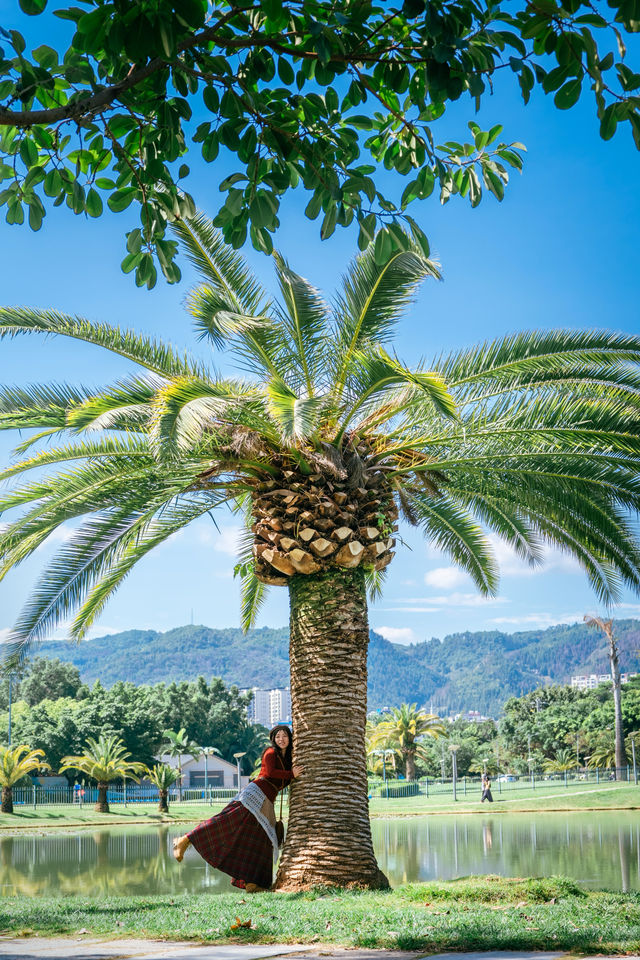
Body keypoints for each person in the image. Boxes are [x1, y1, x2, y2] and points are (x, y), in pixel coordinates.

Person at [172, 725, 303, 892]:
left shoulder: (287, 760)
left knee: (260, 841)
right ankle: (184, 840)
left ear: (290, 739)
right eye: (278, 736)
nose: (281, 739)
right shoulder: (270, 753)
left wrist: (291, 773)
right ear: (273, 739)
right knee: (226, 821)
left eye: (285, 736)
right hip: (255, 794)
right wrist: (291, 774)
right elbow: (269, 772)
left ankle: (253, 884)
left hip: (267, 802)